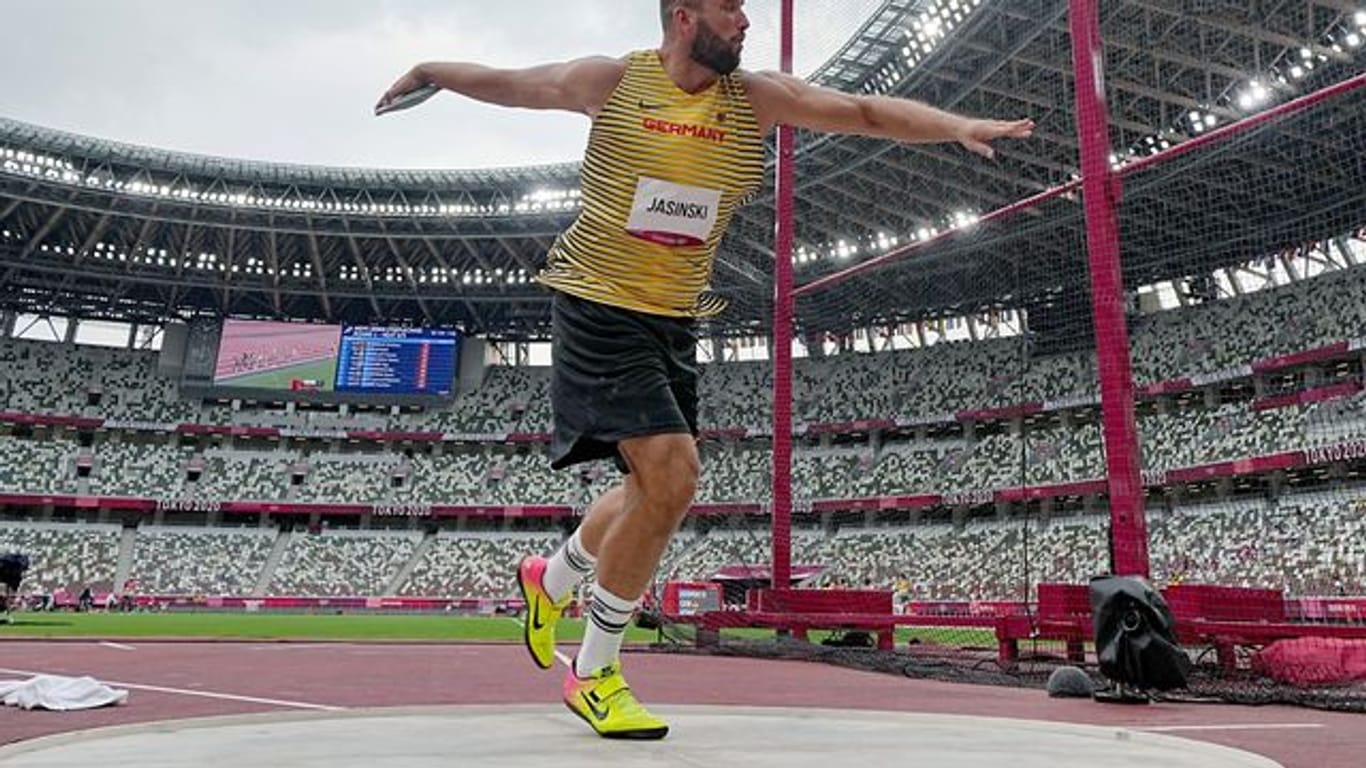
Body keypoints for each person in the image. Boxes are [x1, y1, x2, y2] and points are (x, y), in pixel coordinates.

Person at [378, 0, 1032, 740]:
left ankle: (550, 578)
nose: (746, 20)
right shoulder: (612, 81)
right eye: (731, 8)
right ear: (685, 17)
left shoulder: (757, 100)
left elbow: (861, 111)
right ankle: (593, 673)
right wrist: (433, 68)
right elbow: (511, 82)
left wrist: (957, 127)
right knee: (674, 476)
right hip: (598, 302)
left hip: (673, 319)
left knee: (643, 488)